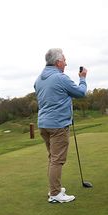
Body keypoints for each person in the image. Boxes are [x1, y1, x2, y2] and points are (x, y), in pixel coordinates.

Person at [34, 48, 87, 203]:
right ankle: (55, 193)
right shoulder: (60, 77)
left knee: (52, 158)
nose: (66, 62)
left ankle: (54, 189)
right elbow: (80, 92)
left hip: (44, 124)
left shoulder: (38, 79)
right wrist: (83, 78)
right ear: (58, 62)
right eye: (64, 60)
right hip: (58, 125)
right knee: (57, 160)